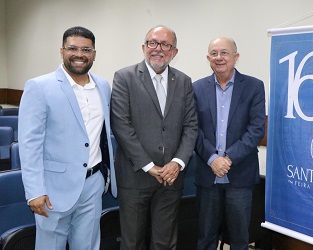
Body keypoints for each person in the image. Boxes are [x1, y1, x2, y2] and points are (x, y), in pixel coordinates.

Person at [18, 26, 116, 250]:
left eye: (86, 49)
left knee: (88, 245)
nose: (79, 54)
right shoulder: (39, 86)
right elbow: (29, 143)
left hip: (93, 183)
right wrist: (34, 191)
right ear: (62, 51)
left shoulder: (102, 86)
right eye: (72, 48)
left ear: (94, 54)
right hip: (53, 189)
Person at [110, 25, 198, 250]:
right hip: (135, 176)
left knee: (165, 242)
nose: (158, 49)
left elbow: (191, 126)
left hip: (171, 178)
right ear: (144, 47)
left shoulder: (184, 81)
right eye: (153, 43)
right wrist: (148, 165)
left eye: (165, 45)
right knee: (132, 243)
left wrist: (177, 163)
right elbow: (121, 125)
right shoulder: (124, 77)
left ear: (174, 52)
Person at [193, 37, 266, 250]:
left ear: (236, 56)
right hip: (207, 177)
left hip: (240, 176)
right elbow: (192, 129)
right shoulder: (196, 88)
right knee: (206, 238)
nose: (219, 58)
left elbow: (256, 130)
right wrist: (213, 159)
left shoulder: (254, 86)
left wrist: (228, 159)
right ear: (208, 58)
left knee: (240, 240)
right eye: (214, 53)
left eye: (224, 52)